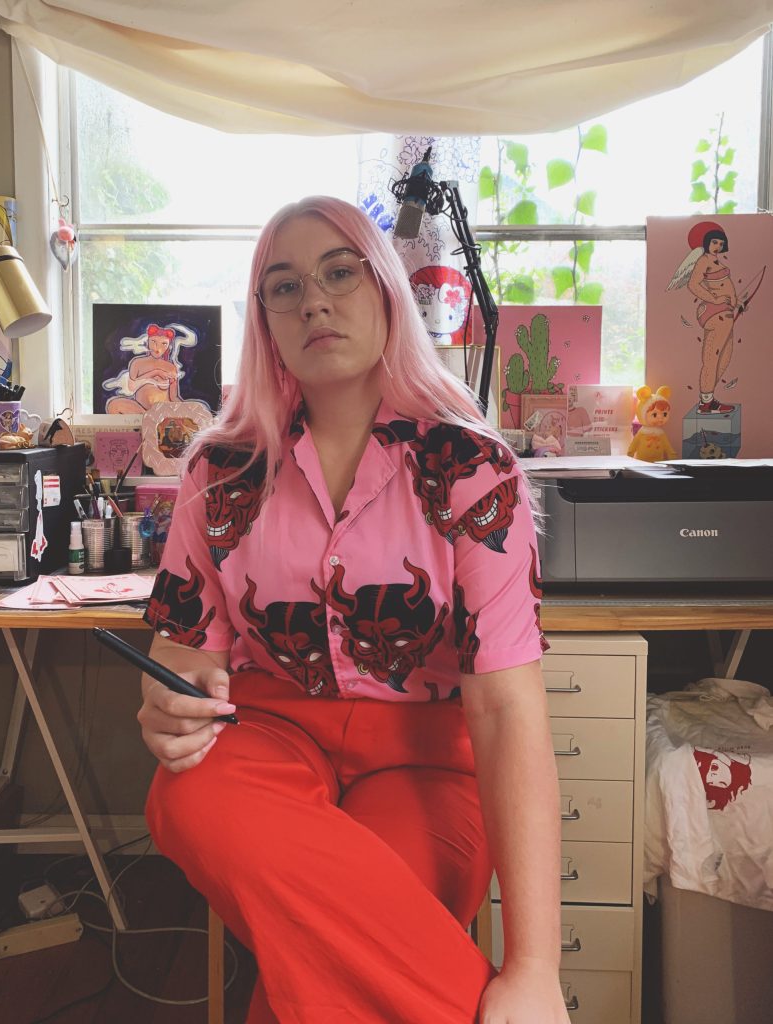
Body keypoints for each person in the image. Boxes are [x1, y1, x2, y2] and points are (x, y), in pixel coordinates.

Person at [137, 195, 569, 1024]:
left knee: (336, 969)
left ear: (384, 292)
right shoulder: (219, 470)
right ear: (263, 319)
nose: (315, 301)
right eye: (284, 286)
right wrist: (171, 695)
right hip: (268, 733)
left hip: (425, 757)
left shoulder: (472, 468)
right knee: (188, 798)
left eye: (341, 273)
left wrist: (535, 970)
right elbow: (186, 653)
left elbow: (508, 710)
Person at [667, 222, 738, 415]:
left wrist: (736, 303)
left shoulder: (716, 261)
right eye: (714, 242)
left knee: (725, 356)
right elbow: (693, 284)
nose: (718, 246)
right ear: (707, 243)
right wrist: (714, 298)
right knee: (712, 357)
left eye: (721, 243)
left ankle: (709, 397)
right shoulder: (703, 261)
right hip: (716, 313)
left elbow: (726, 286)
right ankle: (706, 402)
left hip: (727, 312)